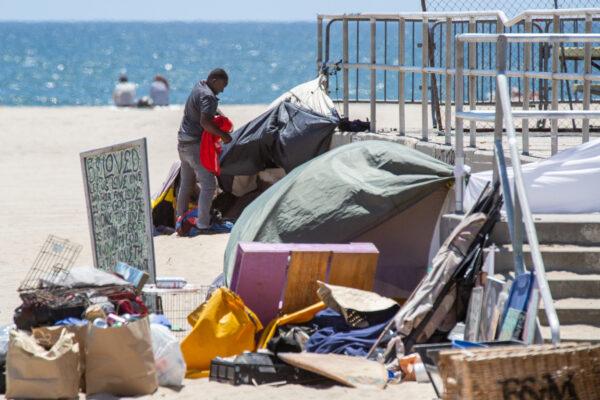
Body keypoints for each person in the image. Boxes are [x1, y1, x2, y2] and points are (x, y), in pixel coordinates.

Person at [176, 68, 233, 234]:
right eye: (223, 85)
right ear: (215, 80)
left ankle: (179, 220)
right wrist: (225, 136)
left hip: (182, 143)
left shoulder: (199, 86)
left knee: (186, 183)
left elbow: (208, 110)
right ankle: (203, 224)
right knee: (208, 185)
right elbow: (205, 122)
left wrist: (222, 116)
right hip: (194, 145)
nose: (223, 89)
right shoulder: (208, 96)